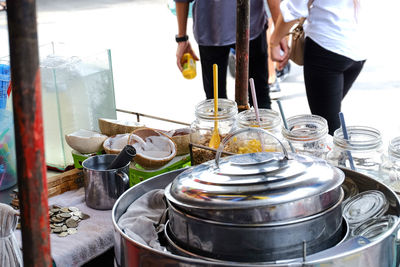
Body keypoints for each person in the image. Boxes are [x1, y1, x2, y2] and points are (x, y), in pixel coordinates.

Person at [269, 0, 367, 135]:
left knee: (328, 132)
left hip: (327, 48)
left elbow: (293, 10)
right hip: (357, 49)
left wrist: (273, 42)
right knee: (324, 120)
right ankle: (310, 132)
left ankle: (337, 154)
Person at [174, 0, 288, 109]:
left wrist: (182, 38)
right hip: (217, 30)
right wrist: (279, 34)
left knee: (220, 105)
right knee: (220, 105)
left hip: (229, 28)